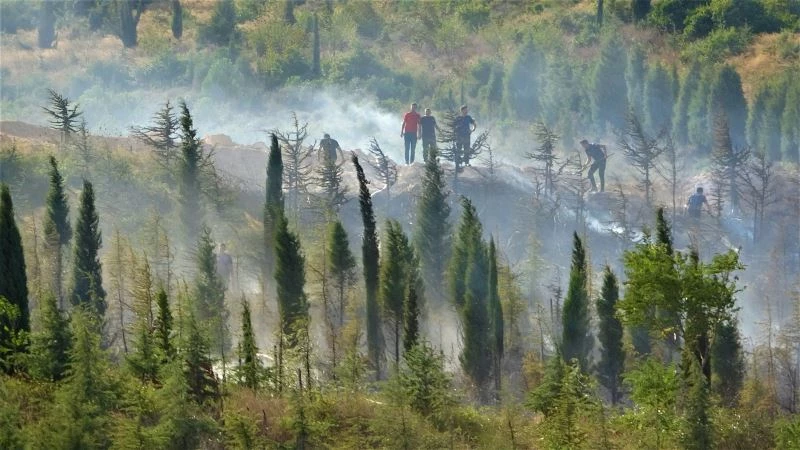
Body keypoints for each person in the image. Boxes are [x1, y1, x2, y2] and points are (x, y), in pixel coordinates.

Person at [454, 105, 476, 169]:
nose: (466, 111)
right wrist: (456, 130)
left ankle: (467, 162)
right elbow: (454, 126)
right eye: (465, 110)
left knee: (467, 150)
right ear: (462, 110)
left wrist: (473, 130)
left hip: (467, 136)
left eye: (467, 110)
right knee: (459, 150)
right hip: (459, 136)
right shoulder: (458, 118)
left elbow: (474, 123)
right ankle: (458, 162)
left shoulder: (468, 117)